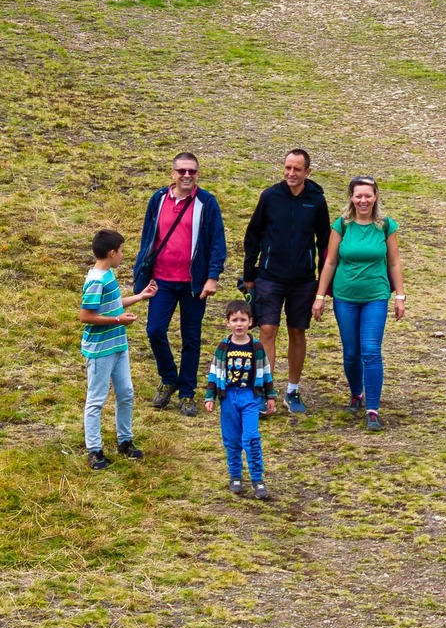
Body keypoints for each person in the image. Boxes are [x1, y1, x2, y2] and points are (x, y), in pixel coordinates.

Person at [133, 153, 226, 417]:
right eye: (182, 170)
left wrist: (212, 276)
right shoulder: (158, 199)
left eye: (192, 171)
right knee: (154, 331)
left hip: (193, 284)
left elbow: (217, 242)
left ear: (198, 174)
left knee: (191, 338)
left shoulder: (206, 203)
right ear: (172, 173)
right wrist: (142, 271)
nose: (187, 175)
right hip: (161, 280)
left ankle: (186, 393)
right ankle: (168, 377)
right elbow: (147, 238)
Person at [312, 176, 406, 431]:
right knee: (352, 352)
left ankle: (372, 408)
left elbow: (394, 262)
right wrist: (320, 297)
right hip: (345, 297)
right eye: (358, 196)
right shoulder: (342, 225)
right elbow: (330, 262)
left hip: (376, 296)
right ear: (351, 198)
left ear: (375, 197)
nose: (363, 200)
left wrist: (400, 295)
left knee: (371, 351)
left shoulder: (386, 226)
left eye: (368, 195)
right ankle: (357, 393)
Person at [242, 149, 330, 416]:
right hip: (269, 276)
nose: (291, 174)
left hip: (303, 280)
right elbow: (253, 233)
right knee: (267, 330)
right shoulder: (270, 196)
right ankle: (265, 392)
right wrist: (249, 274)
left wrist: (323, 286)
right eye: (288, 168)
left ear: (307, 172)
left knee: (297, 332)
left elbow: (324, 241)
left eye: (297, 169)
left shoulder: (316, 200)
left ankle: (292, 390)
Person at [79, 229, 149, 470]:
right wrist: (119, 321)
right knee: (96, 400)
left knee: (126, 392)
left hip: (118, 344)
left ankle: (124, 441)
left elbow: (113, 305)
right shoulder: (96, 281)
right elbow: (86, 316)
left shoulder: (107, 275)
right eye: (121, 251)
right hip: (100, 350)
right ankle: (94, 450)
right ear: (111, 253)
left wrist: (140, 296)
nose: (123, 256)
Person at [204, 300, 271, 499]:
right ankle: (235, 476)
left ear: (250, 322)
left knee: (250, 437)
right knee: (231, 440)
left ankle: (257, 478)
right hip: (228, 397)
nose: (239, 324)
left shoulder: (256, 346)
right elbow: (214, 372)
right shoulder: (223, 347)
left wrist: (270, 396)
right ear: (228, 322)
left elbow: (265, 372)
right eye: (235, 320)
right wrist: (210, 396)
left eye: (243, 320)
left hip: (251, 396)